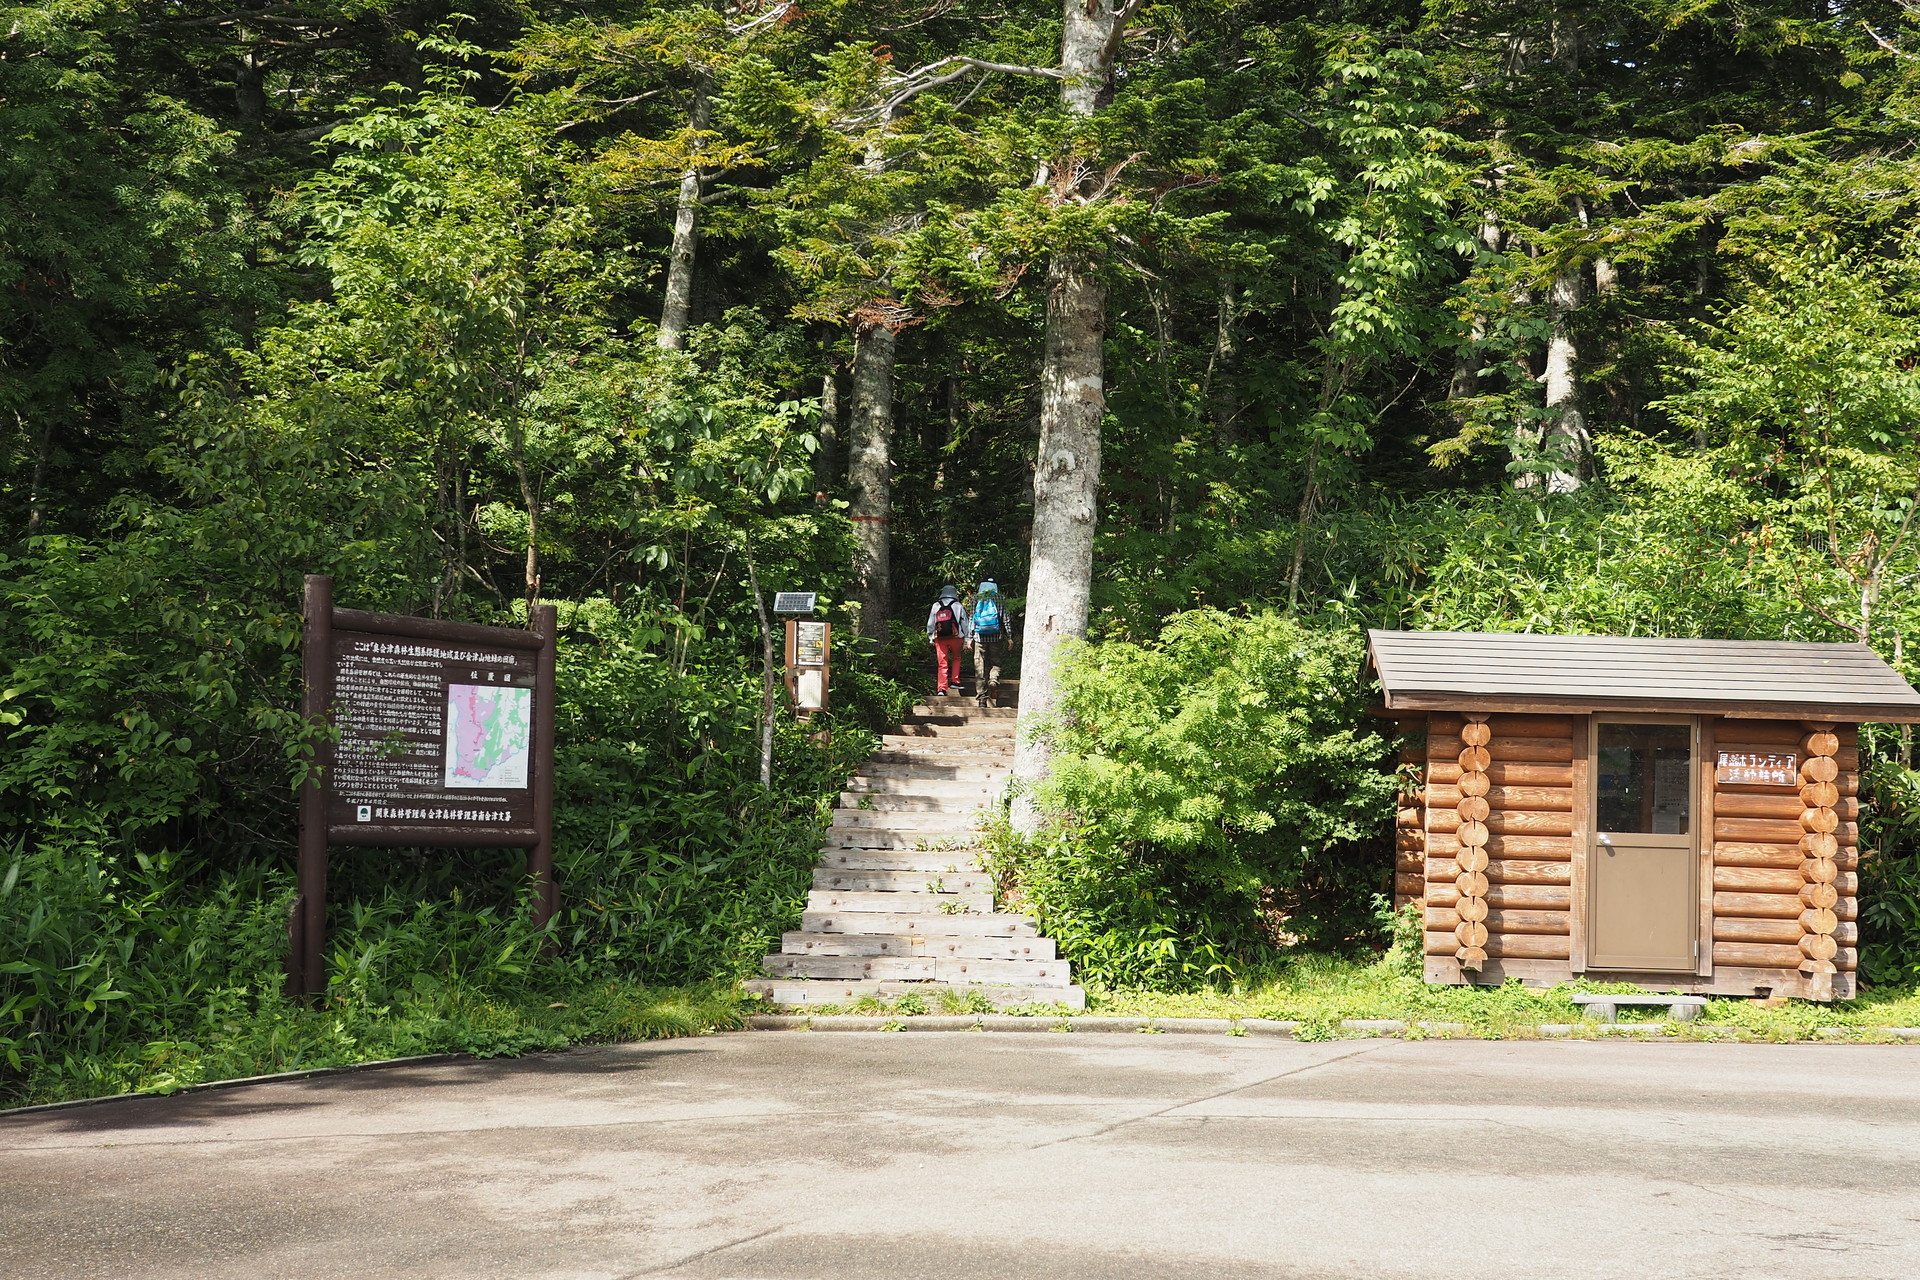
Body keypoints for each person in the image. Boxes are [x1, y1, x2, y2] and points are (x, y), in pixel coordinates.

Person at [967, 580, 1014, 707]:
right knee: (995, 662)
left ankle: (982, 699)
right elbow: (1006, 619)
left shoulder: (976, 598)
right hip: (995, 637)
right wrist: (1009, 637)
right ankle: (993, 679)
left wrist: (969, 638)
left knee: (979, 667)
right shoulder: (1000, 598)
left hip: (979, 637)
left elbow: (972, 618)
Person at [924, 584, 971, 697]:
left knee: (942, 663)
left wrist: (931, 636)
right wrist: (968, 637)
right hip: (956, 637)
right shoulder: (958, 605)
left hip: (940, 638)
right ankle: (955, 681)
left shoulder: (936, 605)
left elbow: (931, 623)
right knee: (956, 658)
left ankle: (941, 688)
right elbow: (964, 622)